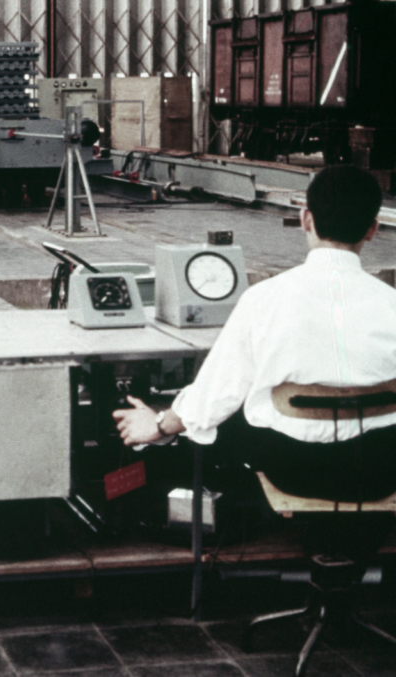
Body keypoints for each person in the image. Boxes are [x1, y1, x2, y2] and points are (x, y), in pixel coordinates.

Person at [113, 165, 396, 502]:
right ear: (372, 230)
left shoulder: (265, 299)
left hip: (293, 469)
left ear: (306, 219)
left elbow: (215, 394)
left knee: (228, 415)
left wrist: (158, 426)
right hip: (379, 471)